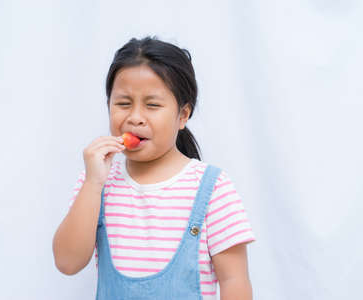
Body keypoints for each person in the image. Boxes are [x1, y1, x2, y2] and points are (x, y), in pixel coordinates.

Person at [52, 36, 256, 299]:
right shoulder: (96, 182)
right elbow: (67, 263)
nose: (135, 118)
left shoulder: (212, 187)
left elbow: (234, 281)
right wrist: (93, 184)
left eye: (152, 105)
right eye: (123, 103)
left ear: (182, 115)